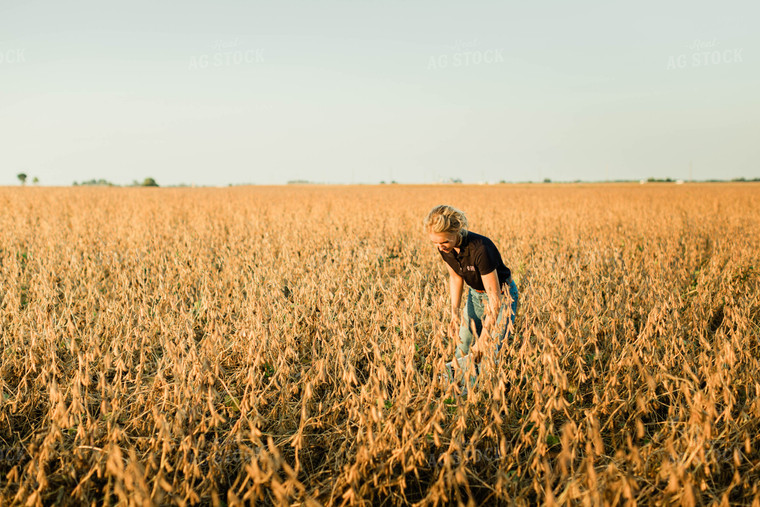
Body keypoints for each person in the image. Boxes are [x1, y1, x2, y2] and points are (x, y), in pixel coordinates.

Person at [424, 205, 518, 371]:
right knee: (463, 344)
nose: (440, 247)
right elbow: (455, 277)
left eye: (444, 241)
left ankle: (486, 391)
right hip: (475, 295)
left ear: (457, 231)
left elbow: (495, 300)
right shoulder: (445, 247)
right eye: (435, 243)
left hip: (503, 297)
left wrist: (483, 340)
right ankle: (460, 386)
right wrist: (455, 313)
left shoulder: (481, 249)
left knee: (490, 348)